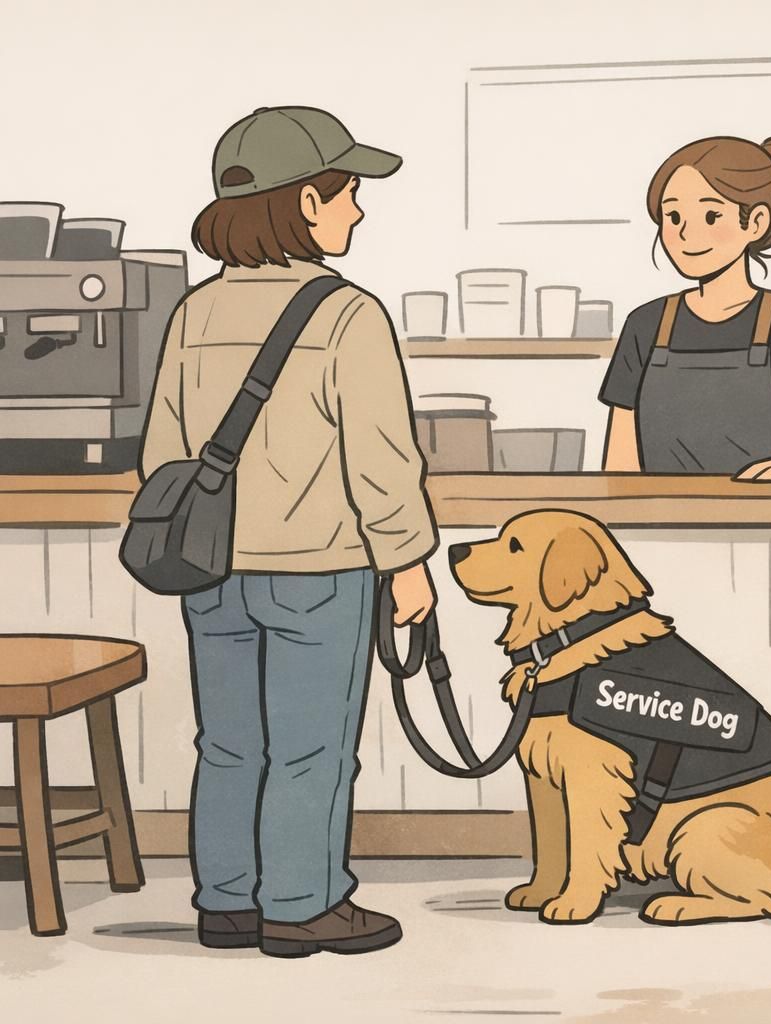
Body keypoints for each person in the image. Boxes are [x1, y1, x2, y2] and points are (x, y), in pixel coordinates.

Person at [141, 106, 437, 958]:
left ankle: (228, 903)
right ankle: (303, 906)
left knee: (229, 742)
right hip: (319, 569)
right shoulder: (349, 315)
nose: (358, 210)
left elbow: (164, 451)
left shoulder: (193, 314)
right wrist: (408, 562)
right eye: (347, 193)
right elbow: (383, 461)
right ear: (306, 201)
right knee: (312, 747)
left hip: (208, 568)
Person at [601, 135, 771, 480]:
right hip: (658, 527)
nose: (687, 233)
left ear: (756, 223)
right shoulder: (644, 325)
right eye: (674, 216)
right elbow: (619, 469)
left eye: (710, 215)